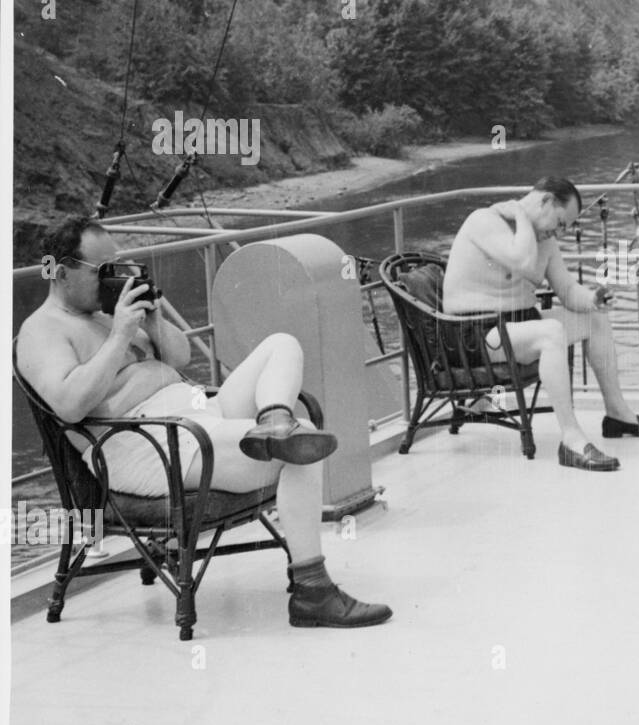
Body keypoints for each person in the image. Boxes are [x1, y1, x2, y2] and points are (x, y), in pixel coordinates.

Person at [16, 215, 393, 630]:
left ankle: (274, 421)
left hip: (192, 414)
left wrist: (153, 320)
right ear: (62, 271)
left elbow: (178, 359)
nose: (116, 279)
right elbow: (69, 406)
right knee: (302, 450)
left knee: (281, 345)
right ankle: (312, 592)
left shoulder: (107, 312)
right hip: (147, 445)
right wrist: (121, 335)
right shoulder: (42, 332)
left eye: (119, 266)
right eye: (104, 271)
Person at [442, 176, 639, 472]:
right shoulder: (484, 222)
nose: (559, 232)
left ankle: (617, 414)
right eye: (560, 223)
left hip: (517, 326)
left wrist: (593, 299)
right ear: (546, 201)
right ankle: (571, 440)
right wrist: (522, 214)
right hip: (476, 335)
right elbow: (522, 261)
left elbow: (568, 291)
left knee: (595, 320)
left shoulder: (544, 241)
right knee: (551, 333)